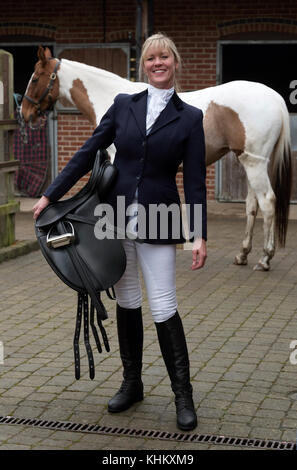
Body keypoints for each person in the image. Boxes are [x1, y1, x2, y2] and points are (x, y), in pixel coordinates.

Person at [33, 32, 207, 431]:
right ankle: (132, 384)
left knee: (163, 305)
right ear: (143, 65)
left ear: (175, 62)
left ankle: (184, 395)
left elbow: (196, 180)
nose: (158, 63)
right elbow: (86, 152)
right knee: (127, 301)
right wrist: (50, 195)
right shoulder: (123, 105)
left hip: (160, 216)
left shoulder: (191, 117)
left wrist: (199, 234)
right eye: (150, 59)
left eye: (164, 57)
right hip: (114, 215)